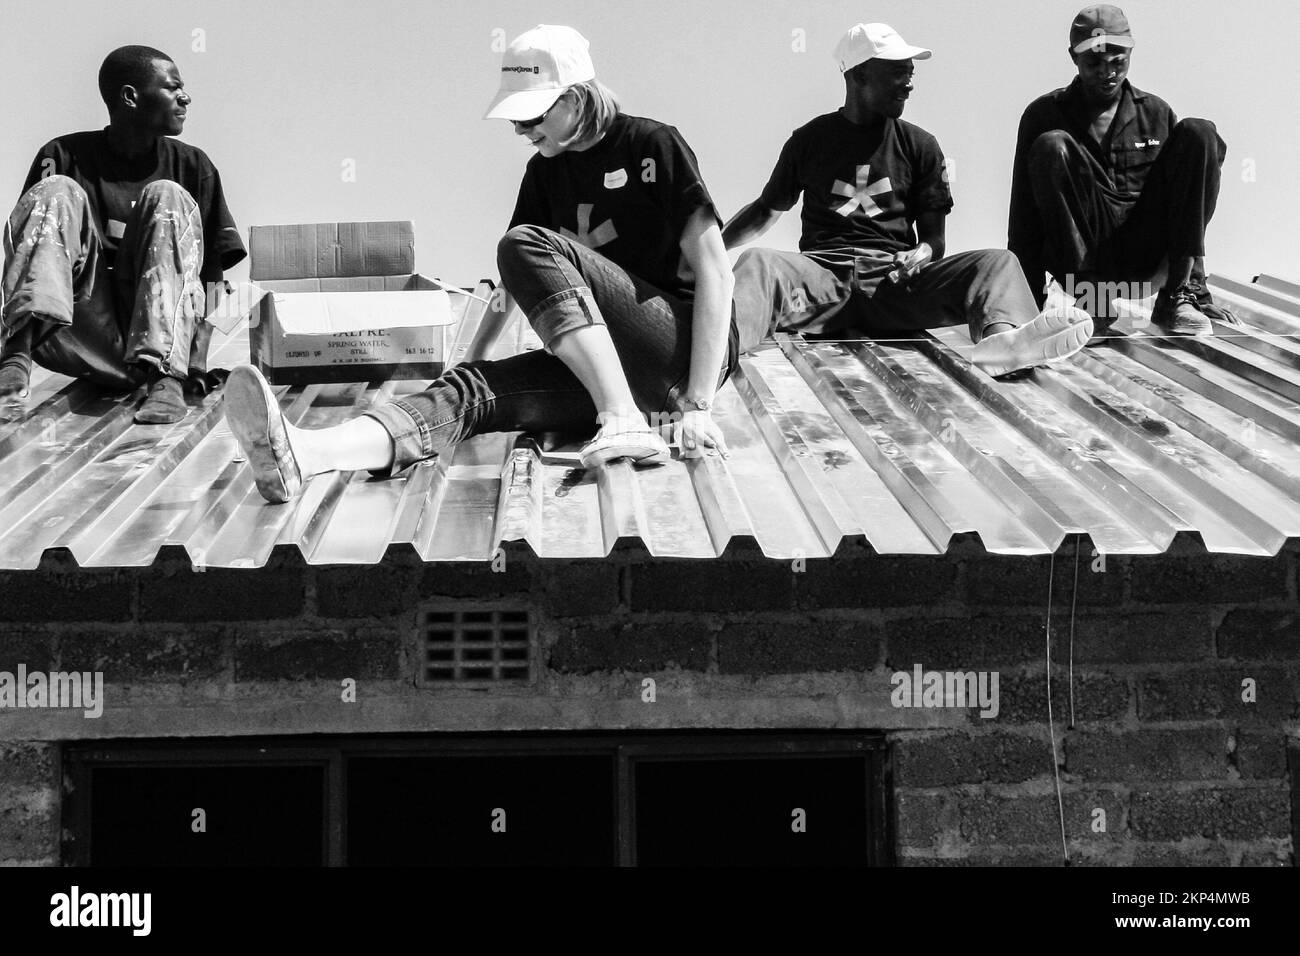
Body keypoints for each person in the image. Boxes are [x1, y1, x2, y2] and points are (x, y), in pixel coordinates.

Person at [224, 24, 736, 504]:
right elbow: (515, 285)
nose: (519, 127)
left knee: (524, 243)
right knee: (469, 391)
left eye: (532, 115)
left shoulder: (652, 145)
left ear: (576, 99)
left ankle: (621, 414)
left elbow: (716, 270)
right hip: (615, 378)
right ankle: (312, 456)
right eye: (515, 117)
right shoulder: (545, 172)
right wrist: (474, 358)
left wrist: (697, 404)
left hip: (672, 349)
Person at [723, 22, 1093, 377]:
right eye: (898, 72)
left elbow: (935, 240)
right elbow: (763, 211)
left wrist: (921, 254)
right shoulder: (810, 140)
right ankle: (716, 353)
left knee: (998, 263)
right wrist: (706, 251)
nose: (909, 83)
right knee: (759, 262)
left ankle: (1003, 344)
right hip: (822, 279)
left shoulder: (921, 146)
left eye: (911, 72)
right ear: (858, 75)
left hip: (894, 284)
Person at [0, 45, 246, 423]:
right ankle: (15, 354)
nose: (185, 96)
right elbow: (28, 248)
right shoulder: (62, 154)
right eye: (172, 87)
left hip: (158, 347)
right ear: (130, 97)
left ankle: (165, 377)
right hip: (76, 332)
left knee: (167, 195)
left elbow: (214, 282)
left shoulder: (193, 166)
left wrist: (194, 369)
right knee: (55, 191)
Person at [1008, 4, 1233, 335]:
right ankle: (1094, 303)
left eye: (1118, 61)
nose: (1107, 71)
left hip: (1145, 250)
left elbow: (1188, 202)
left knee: (1200, 132)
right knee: (1051, 145)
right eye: (1094, 62)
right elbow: (1023, 220)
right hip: (1082, 260)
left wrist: (1197, 286)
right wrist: (1023, 307)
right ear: (1073, 57)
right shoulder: (1043, 115)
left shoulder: (1156, 112)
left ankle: (1178, 296)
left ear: (1130, 52)